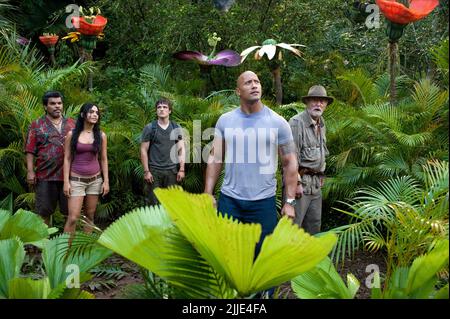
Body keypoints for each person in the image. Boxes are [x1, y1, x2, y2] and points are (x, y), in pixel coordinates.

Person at [204, 70, 298, 257]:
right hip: (230, 201)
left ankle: (262, 289)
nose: (254, 85)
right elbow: (215, 158)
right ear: (238, 91)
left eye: (257, 81)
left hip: (263, 203)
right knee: (228, 256)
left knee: (262, 258)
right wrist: (207, 193)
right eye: (248, 82)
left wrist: (289, 202)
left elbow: (290, 163)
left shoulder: (278, 123)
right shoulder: (225, 121)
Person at [25, 91, 75, 225]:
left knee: (70, 214)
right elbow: (29, 150)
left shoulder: (72, 124)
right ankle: (43, 245)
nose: (57, 106)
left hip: (69, 177)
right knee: (43, 213)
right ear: (45, 106)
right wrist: (30, 171)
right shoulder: (36, 125)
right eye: (53, 104)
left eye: (59, 103)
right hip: (45, 176)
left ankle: (67, 245)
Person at [288, 85, 333, 235]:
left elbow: (321, 150)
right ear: (307, 103)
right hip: (300, 186)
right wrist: (296, 183)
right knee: (293, 228)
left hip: (315, 186)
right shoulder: (296, 123)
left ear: (326, 105)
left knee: (313, 228)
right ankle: (290, 259)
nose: (318, 104)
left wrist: (321, 173)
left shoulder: (322, 123)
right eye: (314, 101)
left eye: (322, 101)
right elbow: (290, 157)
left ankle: (309, 259)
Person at [63, 103, 109, 233]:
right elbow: (67, 158)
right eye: (91, 112)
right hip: (76, 180)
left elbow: (104, 159)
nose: (94, 115)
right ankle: (65, 252)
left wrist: (106, 181)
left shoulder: (101, 135)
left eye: (96, 113)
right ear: (83, 115)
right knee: (73, 218)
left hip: (95, 180)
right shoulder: (72, 134)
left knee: (90, 217)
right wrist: (66, 182)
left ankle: (85, 251)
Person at [140, 98, 186, 206]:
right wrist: (146, 171)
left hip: (172, 171)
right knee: (153, 204)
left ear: (169, 111)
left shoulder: (176, 127)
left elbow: (181, 149)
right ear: (156, 111)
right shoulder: (150, 128)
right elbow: (143, 150)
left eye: (165, 107)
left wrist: (182, 169)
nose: (161, 109)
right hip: (154, 172)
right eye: (159, 107)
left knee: (172, 204)